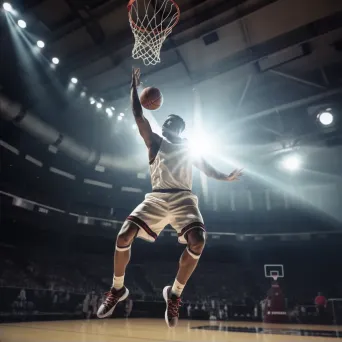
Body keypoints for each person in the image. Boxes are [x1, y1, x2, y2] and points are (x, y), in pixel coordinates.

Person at [97, 68, 243, 328]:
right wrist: (133, 88)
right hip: (157, 198)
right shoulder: (154, 141)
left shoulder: (189, 149)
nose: (165, 123)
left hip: (183, 199)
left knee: (198, 241)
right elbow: (138, 114)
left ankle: (174, 293)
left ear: (181, 128)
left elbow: (207, 168)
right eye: (164, 121)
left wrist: (225, 177)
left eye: (171, 122)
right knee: (122, 236)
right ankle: (117, 289)